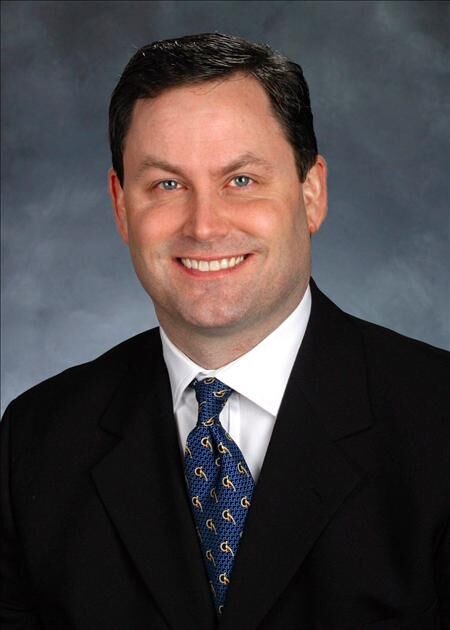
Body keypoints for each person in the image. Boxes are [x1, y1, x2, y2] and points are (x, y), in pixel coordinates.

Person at [0, 32, 448, 630]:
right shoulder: (35, 441)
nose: (205, 227)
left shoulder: (438, 418)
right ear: (121, 206)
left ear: (311, 193)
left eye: (241, 180)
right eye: (167, 184)